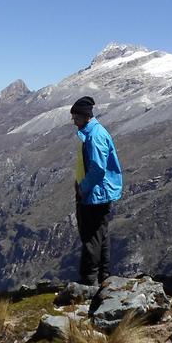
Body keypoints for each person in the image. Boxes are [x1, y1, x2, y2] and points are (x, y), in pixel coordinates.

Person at [70, 96, 123, 286]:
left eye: (75, 117)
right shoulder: (92, 132)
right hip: (97, 192)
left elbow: (98, 169)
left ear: (85, 116)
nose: (73, 121)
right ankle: (103, 276)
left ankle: (89, 280)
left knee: (91, 236)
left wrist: (83, 188)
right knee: (101, 234)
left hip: (94, 194)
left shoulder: (95, 136)